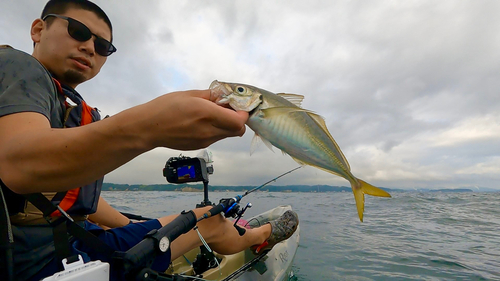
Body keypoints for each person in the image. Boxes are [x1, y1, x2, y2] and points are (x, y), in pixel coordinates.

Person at [0, 0, 299, 280]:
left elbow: (75, 200)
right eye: (78, 31)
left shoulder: (67, 103)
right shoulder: (17, 66)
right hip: (40, 263)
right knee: (210, 220)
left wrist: (127, 225)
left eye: (103, 46)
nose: (90, 47)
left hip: (67, 236)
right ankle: (262, 236)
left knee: (145, 224)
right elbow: (18, 165)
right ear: (38, 30)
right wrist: (151, 127)